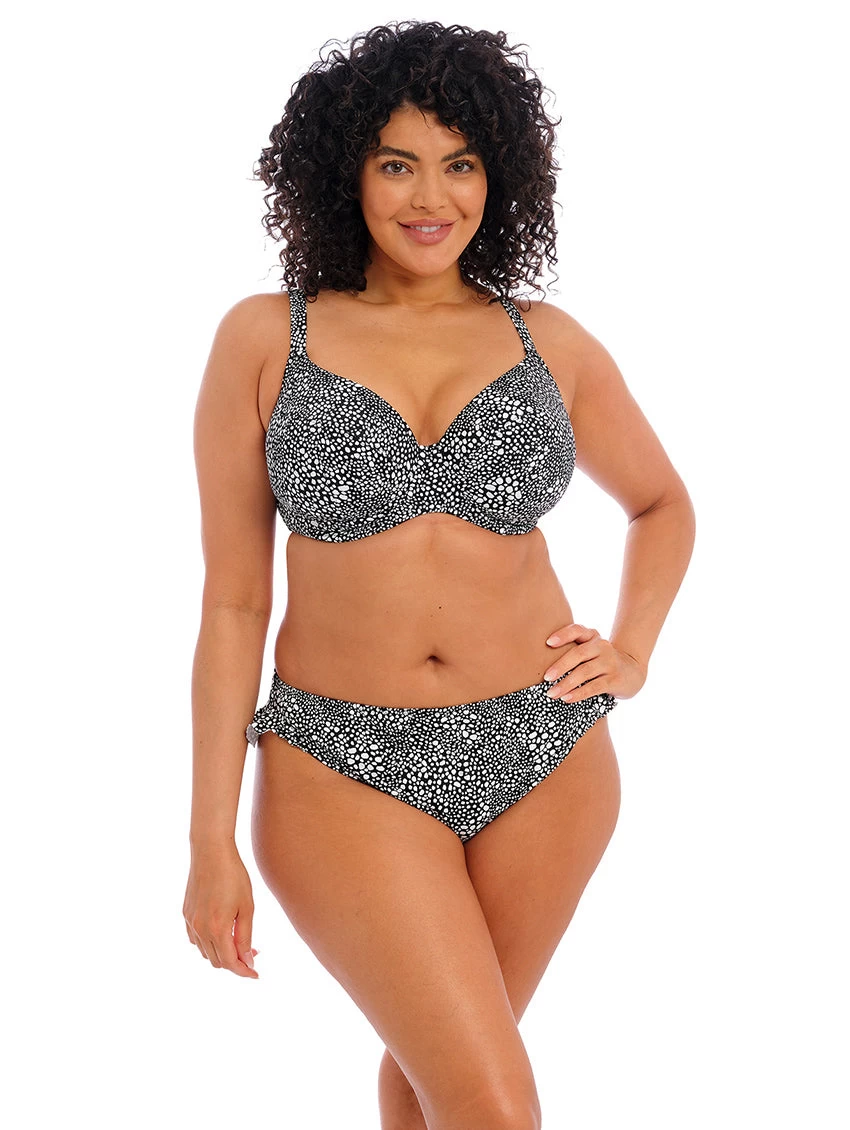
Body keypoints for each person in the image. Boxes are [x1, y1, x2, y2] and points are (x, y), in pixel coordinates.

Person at [183, 20, 695, 1130]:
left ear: (497, 176)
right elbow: (233, 601)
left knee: (435, 1086)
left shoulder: (549, 341)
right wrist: (208, 838)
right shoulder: (266, 338)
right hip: (340, 761)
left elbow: (662, 503)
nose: (432, 196)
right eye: (397, 164)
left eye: (460, 163)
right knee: (492, 1103)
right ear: (345, 173)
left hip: (545, 750)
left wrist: (633, 649)